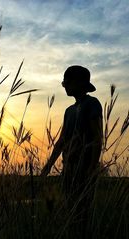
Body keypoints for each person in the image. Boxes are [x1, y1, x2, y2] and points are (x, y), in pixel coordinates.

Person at [40, 65, 103, 222]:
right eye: (64, 83)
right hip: (69, 168)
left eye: (67, 82)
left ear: (80, 83)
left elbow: (97, 138)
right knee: (71, 208)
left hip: (85, 167)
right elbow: (62, 141)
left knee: (83, 211)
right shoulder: (69, 111)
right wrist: (48, 166)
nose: (65, 85)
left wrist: (91, 168)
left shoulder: (92, 104)